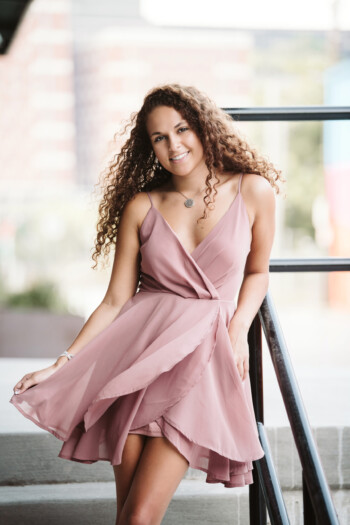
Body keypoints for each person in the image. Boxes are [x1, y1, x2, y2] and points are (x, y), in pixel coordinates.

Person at [10, 83, 282, 525]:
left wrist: (236, 331)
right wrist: (62, 363)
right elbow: (116, 300)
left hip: (201, 359)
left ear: (203, 128)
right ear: (149, 147)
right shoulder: (141, 205)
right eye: (159, 137)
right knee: (129, 516)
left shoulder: (252, 191)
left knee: (138, 516)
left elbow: (257, 272)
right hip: (135, 359)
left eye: (181, 129)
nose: (174, 145)